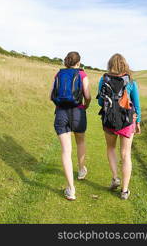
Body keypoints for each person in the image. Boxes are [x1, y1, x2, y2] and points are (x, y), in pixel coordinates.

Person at [97, 53, 141, 200]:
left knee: (110, 148)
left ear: (110, 65)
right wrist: (138, 121)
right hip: (127, 121)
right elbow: (136, 103)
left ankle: (115, 178)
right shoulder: (131, 82)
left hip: (109, 120)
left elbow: (100, 102)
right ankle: (124, 190)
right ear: (124, 65)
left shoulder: (103, 79)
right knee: (126, 154)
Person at [50, 51, 91, 200]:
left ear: (66, 62)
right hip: (78, 113)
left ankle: (71, 189)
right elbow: (87, 96)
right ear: (78, 63)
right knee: (80, 141)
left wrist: (60, 105)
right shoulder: (82, 74)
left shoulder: (58, 74)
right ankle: (81, 170)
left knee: (66, 151)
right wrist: (86, 106)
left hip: (61, 113)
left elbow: (51, 96)